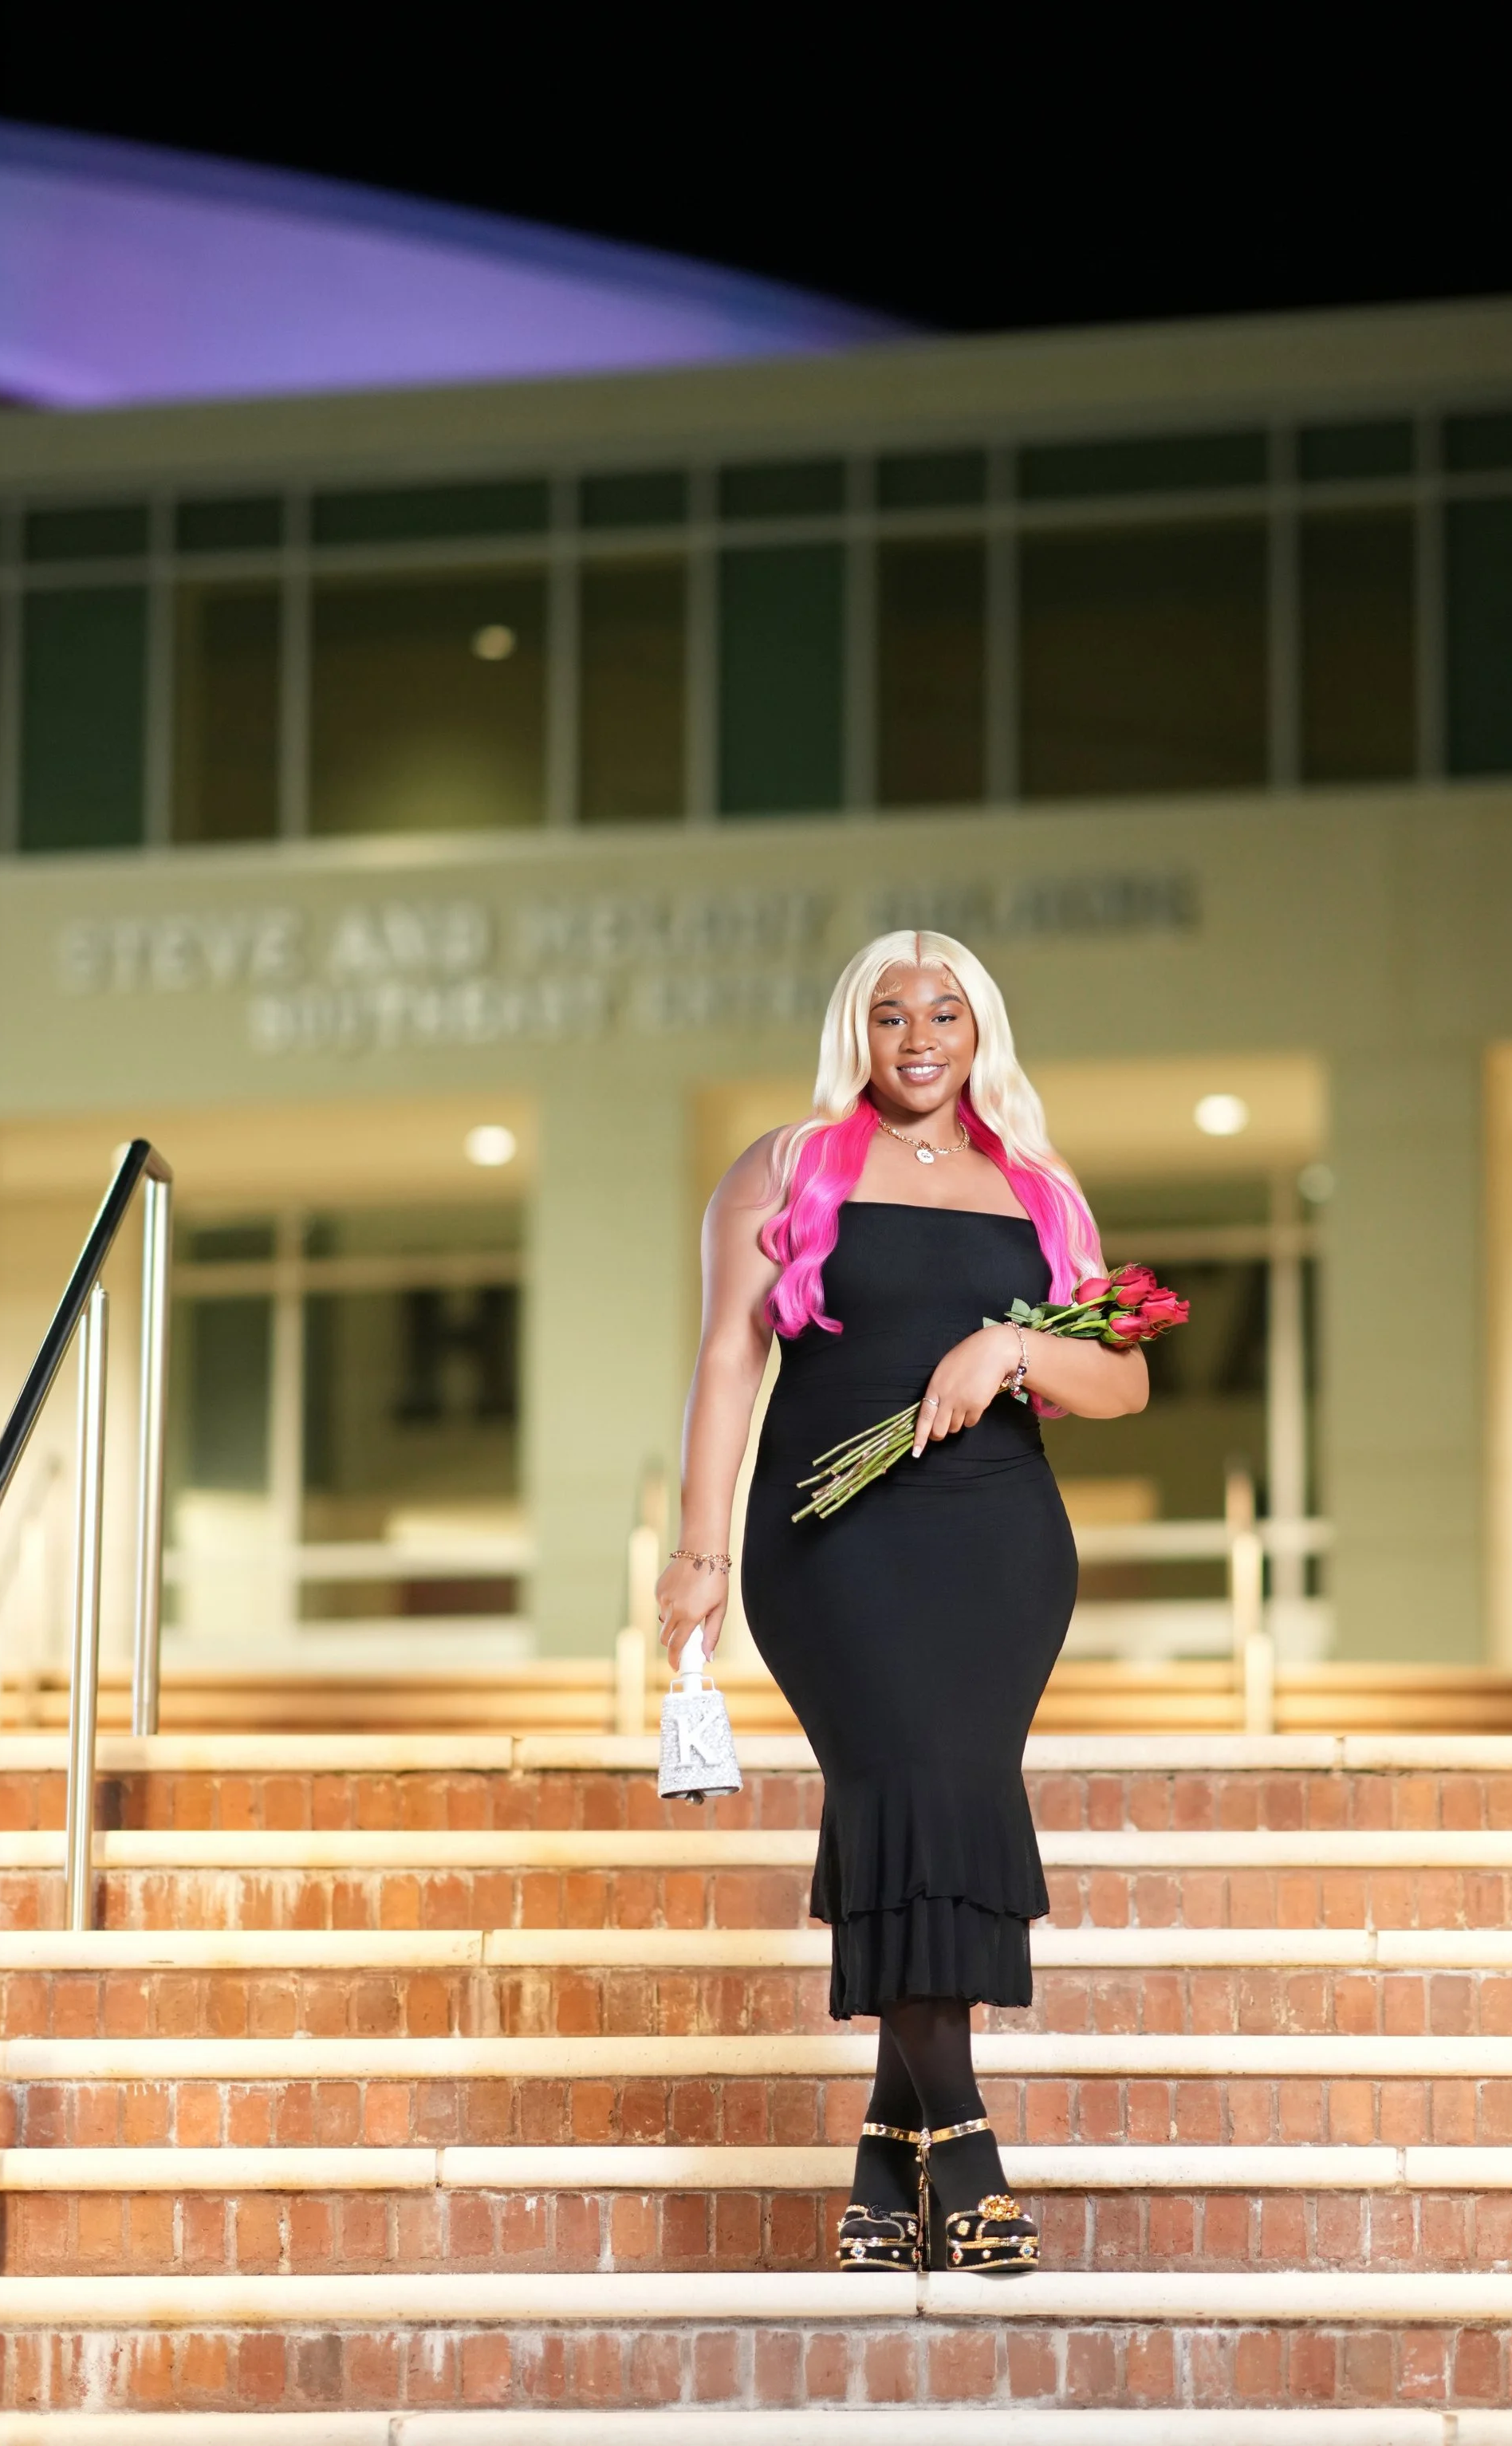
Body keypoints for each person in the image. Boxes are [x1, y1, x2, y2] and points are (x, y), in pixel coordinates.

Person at [655, 928, 1148, 2275]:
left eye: (944, 1011)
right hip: (831, 1540)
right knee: (906, 1792)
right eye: (890, 1015)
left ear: (980, 1030)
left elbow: (1121, 1385)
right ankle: (969, 2152)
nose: (919, 1037)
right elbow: (724, 1360)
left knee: (945, 1803)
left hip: (1000, 1547)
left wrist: (1011, 1344)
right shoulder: (787, 1166)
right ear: (856, 1034)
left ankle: (887, 2161)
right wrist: (700, 1552)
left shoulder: (1038, 1188)